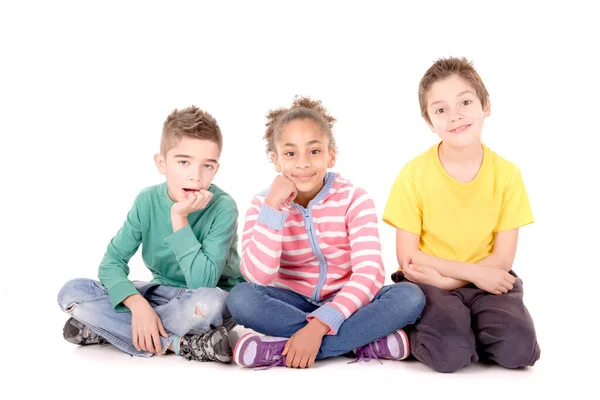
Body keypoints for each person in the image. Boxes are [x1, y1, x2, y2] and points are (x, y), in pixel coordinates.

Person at [227, 96, 425, 369]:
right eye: (290, 153)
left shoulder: (355, 198)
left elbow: (370, 274)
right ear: (276, 160)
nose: (303, 163)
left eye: (314, 151)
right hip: (292, 303)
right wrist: (273, 208)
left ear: (331, 154)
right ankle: (361, 342)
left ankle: (285, 349)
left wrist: (318, 326)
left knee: (409, 296)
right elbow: (258, 277)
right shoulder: (263, 204)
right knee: (240, 298)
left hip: (346, 302)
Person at [383, 57, 540, 372]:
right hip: (427, 281)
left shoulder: (507, 175)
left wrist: (456, 280)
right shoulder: (413, 174)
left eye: (465, 102)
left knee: (519, 352)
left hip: (486, 280)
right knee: (449, 355)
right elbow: (409, 258)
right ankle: (416, 329)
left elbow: (502, 261)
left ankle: (470, 329)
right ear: (429, 121)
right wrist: (453, 280)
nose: (454, 116)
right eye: (441, 110)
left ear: (486, 106)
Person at [57, 106, 244, 363]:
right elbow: (111, 263)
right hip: (158, 294)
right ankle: (180, 343)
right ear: (161, 163)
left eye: (207, 166)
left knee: (209, 303)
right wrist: (138, 305)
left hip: (204, 299)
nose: (196, 176)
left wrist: (179, 219)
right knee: (72, 292)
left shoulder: (224, 206)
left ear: (216, 169)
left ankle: (109, 329)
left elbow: (203, 282)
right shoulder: (146, 200)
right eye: (183, 162)